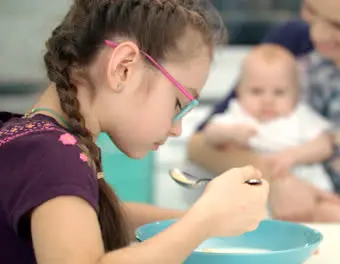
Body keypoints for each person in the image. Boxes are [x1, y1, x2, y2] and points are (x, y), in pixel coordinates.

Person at [0, 1, 270, 263]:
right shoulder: (53, 155)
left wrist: (208, 217)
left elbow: (98, 216)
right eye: (179, 104)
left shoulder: (36, 140)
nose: (177, 129)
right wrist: (205, 220)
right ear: (123, 68)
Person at [188, 0, 340, 222]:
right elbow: (198, 146)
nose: (318, 34)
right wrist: (277, 179)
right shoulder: (290, 41)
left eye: (339, 25)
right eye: (311, 12)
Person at [202, 43, 340, 221]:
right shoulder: (238, 115)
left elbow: (324, 145)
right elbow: (210, 134)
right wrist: (230, 134)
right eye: (256, 91)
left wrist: (295, 154)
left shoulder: (299, 116)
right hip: (250, 199)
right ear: (239, 92)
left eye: (279, 92)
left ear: (296, 95)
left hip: (308, 195)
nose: (268, 100)